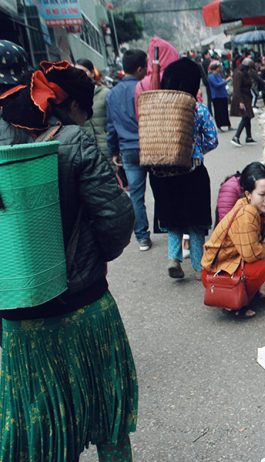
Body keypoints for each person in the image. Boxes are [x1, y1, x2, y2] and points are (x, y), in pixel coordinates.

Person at [0, 60, 137, 461]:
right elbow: (115, 218)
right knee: (108, 417)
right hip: (85, 306)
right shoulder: (72, 139)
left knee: (41, 430)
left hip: (20, 321)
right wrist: (90, 261)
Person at [149, 58, 218, 280]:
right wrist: (197, 151)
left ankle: (173, 258)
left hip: (162, 173)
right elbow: (212, 139)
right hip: (192, 172)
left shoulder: (156, 108)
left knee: (173, 220)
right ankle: (199, 266)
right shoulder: (197, 108)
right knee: (196, 221)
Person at [201, 162, 265, 318]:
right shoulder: (246, 213)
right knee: (261, 267)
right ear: (249, 194)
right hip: (217, 273)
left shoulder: (249, 205)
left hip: (230, 261)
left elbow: (263, 226)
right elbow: (250, 255)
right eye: (262, 194)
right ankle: (237, 302)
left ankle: (250, 291)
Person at [106, 49, 153, 251]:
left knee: (135, 195)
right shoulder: (145, 88)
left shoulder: (112, 94)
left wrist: (113, 151)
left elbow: (110, 126)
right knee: (160, 190)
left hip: (128, 149)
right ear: (140, 68)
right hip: (151, 147)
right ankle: (168, 229)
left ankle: (142, 237)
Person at [75, 58, 110, 159]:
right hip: (87, 152)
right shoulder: (74, 98)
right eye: (76, 71)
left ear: (92, 73)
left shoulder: (106, 93)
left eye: (83, 71)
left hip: (106, 149)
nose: (79, 74)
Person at [230, 57, 256, 147]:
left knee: (247, 117)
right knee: (245, 117)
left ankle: (249, 137)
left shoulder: (244, 73)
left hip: (247, 97)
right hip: (242, 98)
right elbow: (237, 89)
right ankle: (236, 137)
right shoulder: (239, 74)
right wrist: (240, 101)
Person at [208, 61, 231, 131]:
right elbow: (217, 85)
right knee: (218, 112)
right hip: (216, 96)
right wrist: (226, 81)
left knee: (225, 111)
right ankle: (219, 126)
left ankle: (228, 124)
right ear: (216, 68)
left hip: (223, 95)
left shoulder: (218, 75)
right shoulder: (211, 77)